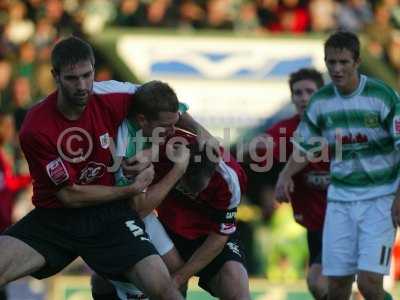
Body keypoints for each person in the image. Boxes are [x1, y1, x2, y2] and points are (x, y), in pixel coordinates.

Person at [0, 36, 211, 300]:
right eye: (72, 78)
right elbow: (69, 195)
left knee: (164, 288)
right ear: (55, 76)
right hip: (57, 217)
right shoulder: (36, 126)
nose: (82, 86)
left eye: (87, 75)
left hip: (110, 217)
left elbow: (164, 104)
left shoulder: (111, 94)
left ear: (94, 69)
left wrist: (203, 134)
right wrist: (129, 190)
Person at [278, 31, 398, 300]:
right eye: (331, 62)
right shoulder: (321, 102)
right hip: (340, 202)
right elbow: (304, 147)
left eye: (343, 62)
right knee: (336, 288)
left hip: (379, 200)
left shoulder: (382, 96)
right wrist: (284, 176)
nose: (336, 69)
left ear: (357, 62)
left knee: (368, 285)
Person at [91, 80, 190, 300]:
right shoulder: (126, 148)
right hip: (118, 214)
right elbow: (138, 209)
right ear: (142, 120)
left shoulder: (159, 111)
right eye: (167, 127)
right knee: (123, 278)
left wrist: (155, 148)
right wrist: (178, 169)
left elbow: (180, 111)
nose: (174, 131)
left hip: (134, 210)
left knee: (177, 272)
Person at [258, 68, 329, 300]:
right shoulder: (286, 129)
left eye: (310, 91)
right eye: (298, 92)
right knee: (322, 289)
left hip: (349, 220)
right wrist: (257, 147)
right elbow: (260, 145)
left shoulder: (340, 127)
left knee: (319, 282)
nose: (304, 97)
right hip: (316, 225)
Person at [155, 136, 251, 300]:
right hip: (167, 227)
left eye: (200, 190)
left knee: (237, 290)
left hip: (209, 234)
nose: (194, 195)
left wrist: (178, 278)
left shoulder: (231, 178)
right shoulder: (161, 152)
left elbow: (219, 238)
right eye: (186, 188)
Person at [0, 112, 31, 300]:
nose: (11, 132)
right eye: (7, 127)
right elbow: (7, 184)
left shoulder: (4, 153)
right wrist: (30, 178)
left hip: (4, 222)